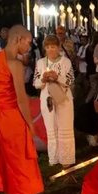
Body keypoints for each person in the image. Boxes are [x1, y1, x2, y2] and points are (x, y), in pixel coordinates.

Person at [0, 25, 43, 194]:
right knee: (22, 161)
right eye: (28, 42)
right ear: (18, 39)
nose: (29, 46)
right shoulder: (15, 64)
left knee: (5, 162)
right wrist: (30, 124)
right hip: (14, 118)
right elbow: (21, 100)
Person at [33, 34, 76, 167]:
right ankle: (55, 157)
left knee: (65, 127)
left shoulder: (66, 62)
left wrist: (57, 77)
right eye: (47, 47)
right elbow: (36, 83)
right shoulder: (40, 63)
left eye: (53, 47)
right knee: (51, 127)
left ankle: (66, 159)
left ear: (58, 47)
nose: (50, 50)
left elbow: (70, 80)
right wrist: (43, 79)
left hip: (64, 98)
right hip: (47, 99)